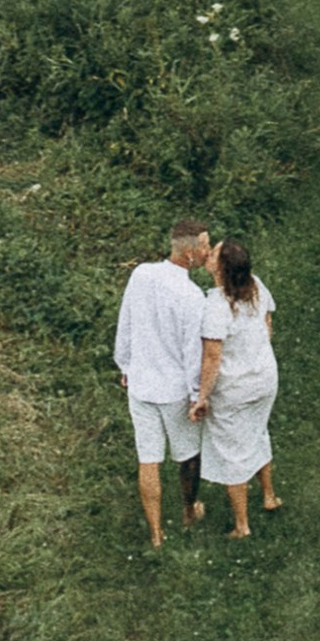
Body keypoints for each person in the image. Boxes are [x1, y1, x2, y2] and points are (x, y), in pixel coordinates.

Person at [113, 217, 214, 547]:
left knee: (148, 458)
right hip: (172, 389)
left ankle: (156, 534)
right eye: (204, 246)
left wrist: (125, 364)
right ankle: (188, 509)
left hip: (141, 384)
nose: (208, 252)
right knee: (188, 454)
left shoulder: (141, 274)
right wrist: (196, 394)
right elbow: (191, 350)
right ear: (189, 252)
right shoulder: (191, 295)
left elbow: (125, 322)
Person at [194, 236, 279, 539]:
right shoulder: (255, 285)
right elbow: (267, 322)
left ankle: (242, 526)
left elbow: (212, 356)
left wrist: (202, 397)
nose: (208, 254)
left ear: (221, 268)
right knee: (257, 431)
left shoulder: (216, 306)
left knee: (232, 452)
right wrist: (256, 354)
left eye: (213, 252)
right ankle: (269, 496)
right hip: (265, 377)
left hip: (235, 389)